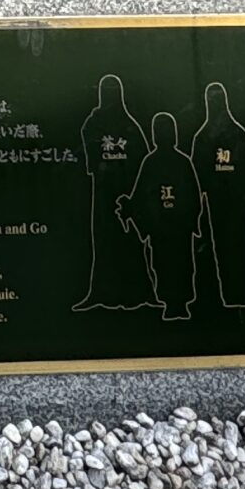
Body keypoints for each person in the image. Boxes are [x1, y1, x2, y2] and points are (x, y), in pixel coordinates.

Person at [73, 73, 156, 311]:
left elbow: (143, 161)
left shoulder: (128, 124)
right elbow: (89, 149)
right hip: (104, 193)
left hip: (127, 195)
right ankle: (102, 292)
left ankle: (137, 292)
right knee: (105, 241)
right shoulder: (95, 121)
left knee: (129, 241)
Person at [123, 111, 203, 322]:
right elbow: (141, 194)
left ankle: (180, 303)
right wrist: (131, 206)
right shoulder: (153, 162)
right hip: (163, 226)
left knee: (181, 263)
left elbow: (193, 194)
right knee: (164, 263)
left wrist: (189, 218)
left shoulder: (179, 162)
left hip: (176, 225)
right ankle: (170, 302)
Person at [190, 81, 245, 309]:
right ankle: (231, 296)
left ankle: (242, 295)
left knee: (239, 244)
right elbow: (198, 169)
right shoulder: (204, 136)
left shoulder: (235, 133)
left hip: (234, 200)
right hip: (220, 201)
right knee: (225, 245)